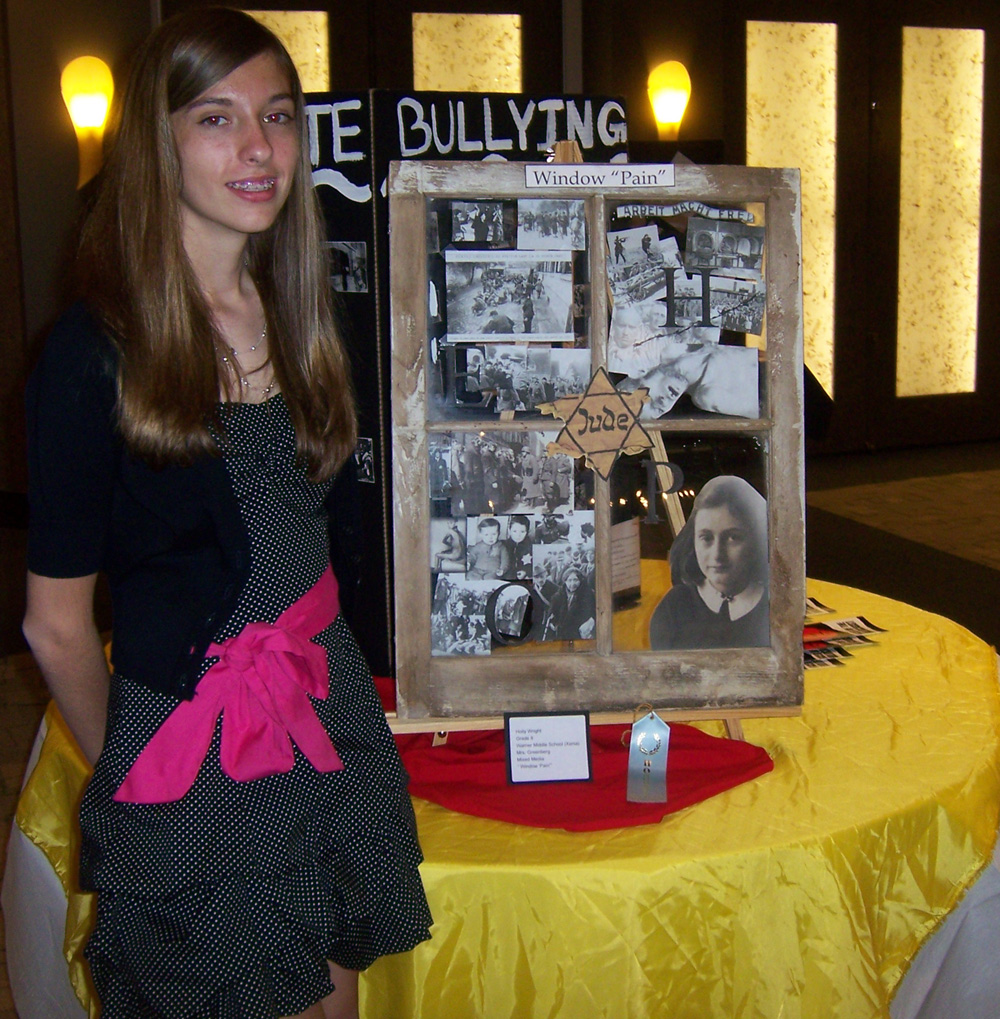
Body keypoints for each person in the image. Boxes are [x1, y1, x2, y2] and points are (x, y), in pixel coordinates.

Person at [21, 10, 431, 1019]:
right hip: (194, 748)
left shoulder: (301, 311)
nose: (258, 148)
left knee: (335, 998)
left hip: (322, 708)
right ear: (155, 145)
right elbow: (55, 624)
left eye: (277, 116)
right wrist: (135, 767)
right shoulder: (92, 353)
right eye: (217, 118)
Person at [648, 476, 769, 650]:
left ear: (756, 541)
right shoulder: (674, 608)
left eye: (733, 537)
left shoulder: (773, 607)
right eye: (706, 538)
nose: (717, 555)